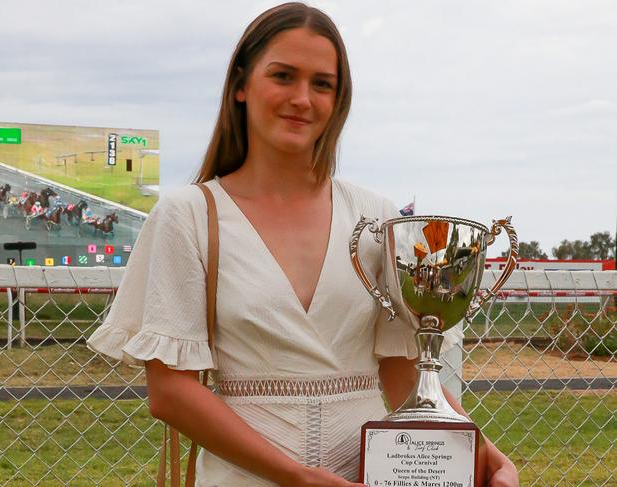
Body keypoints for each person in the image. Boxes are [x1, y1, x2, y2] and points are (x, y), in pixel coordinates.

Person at [86, 3, 519, 486]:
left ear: (339, 100)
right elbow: (169, 392)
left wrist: (483, 452)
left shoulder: (376, 218)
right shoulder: (188, 215)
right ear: (241, 86)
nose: (302, 98)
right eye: (283, 76)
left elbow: (404, 375)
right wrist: (296, 477)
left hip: (368, 474)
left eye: (322, 84)